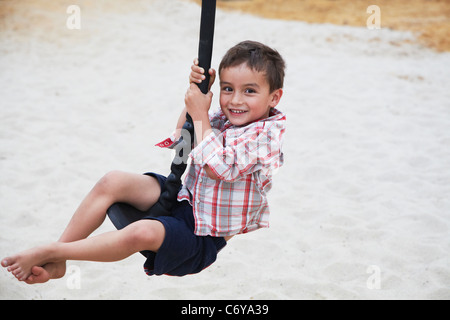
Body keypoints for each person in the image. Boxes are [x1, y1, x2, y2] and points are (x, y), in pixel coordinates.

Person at [1, 40, 286, 283]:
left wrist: (200, 116)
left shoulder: (266, 137)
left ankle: (53, 251)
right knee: (113, 180)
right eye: (227, 88)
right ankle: (60, 259)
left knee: (141, 231)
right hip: (183, 199)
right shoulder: (222, 119)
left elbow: (219, 167)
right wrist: (194, 101)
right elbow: (183, 140)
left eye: (249, 91)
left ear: (274, 97)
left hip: (200, 239)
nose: (235, 100)